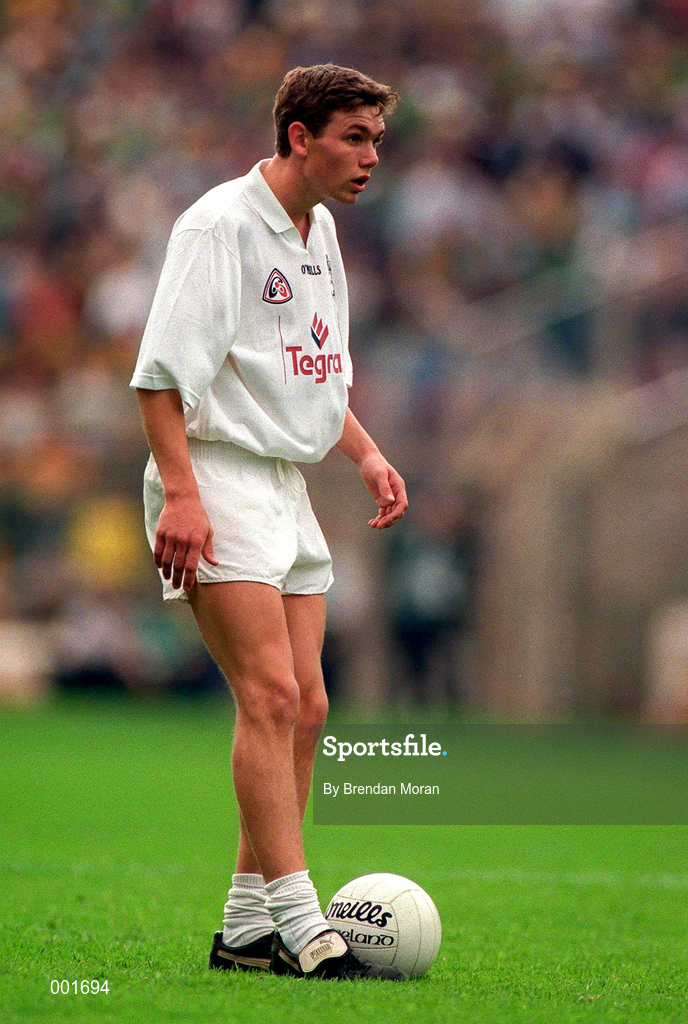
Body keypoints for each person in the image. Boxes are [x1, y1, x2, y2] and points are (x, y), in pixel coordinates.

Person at [129, 65, 408, 981]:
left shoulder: (320, 230)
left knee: (309, 706)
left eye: (376, 140)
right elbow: (160, 378)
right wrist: (182, 494)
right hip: (214, 474)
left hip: (283, 483)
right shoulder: (217, 225)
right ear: (299, 135)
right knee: (271, 697)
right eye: (355, 137)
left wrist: (365, 453)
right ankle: (300, 919)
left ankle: (246, 926)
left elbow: (313, 377)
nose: (371, 157)